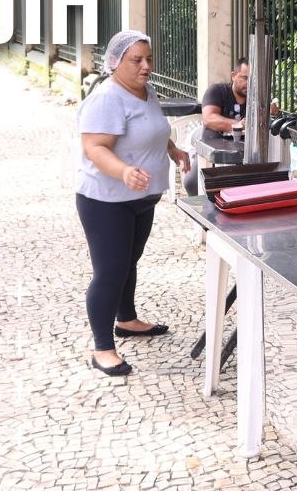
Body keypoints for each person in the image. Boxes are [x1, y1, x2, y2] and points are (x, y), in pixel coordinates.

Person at [75, 30, 191, 376]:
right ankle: (103, 348)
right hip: (106, 199)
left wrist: (172, 149)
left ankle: (126, 320)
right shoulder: (108, 98)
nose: (146, 66)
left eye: (149, 59)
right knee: (110, 271)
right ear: (115, 63)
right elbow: (94, 147)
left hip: (142, 197)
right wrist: (124, 171)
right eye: (136, 60)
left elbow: (155, 129)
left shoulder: (146, 91)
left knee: (129, 262)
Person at [201, 58, 253, 139]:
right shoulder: (217, 91)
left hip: (245, 150)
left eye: (253, 79)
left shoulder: (256, 99)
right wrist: (240, 125)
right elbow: (209, 119)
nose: (249, 83)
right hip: (215, 148)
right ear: (233, 76)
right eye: (245, 78)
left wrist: (269, 113)